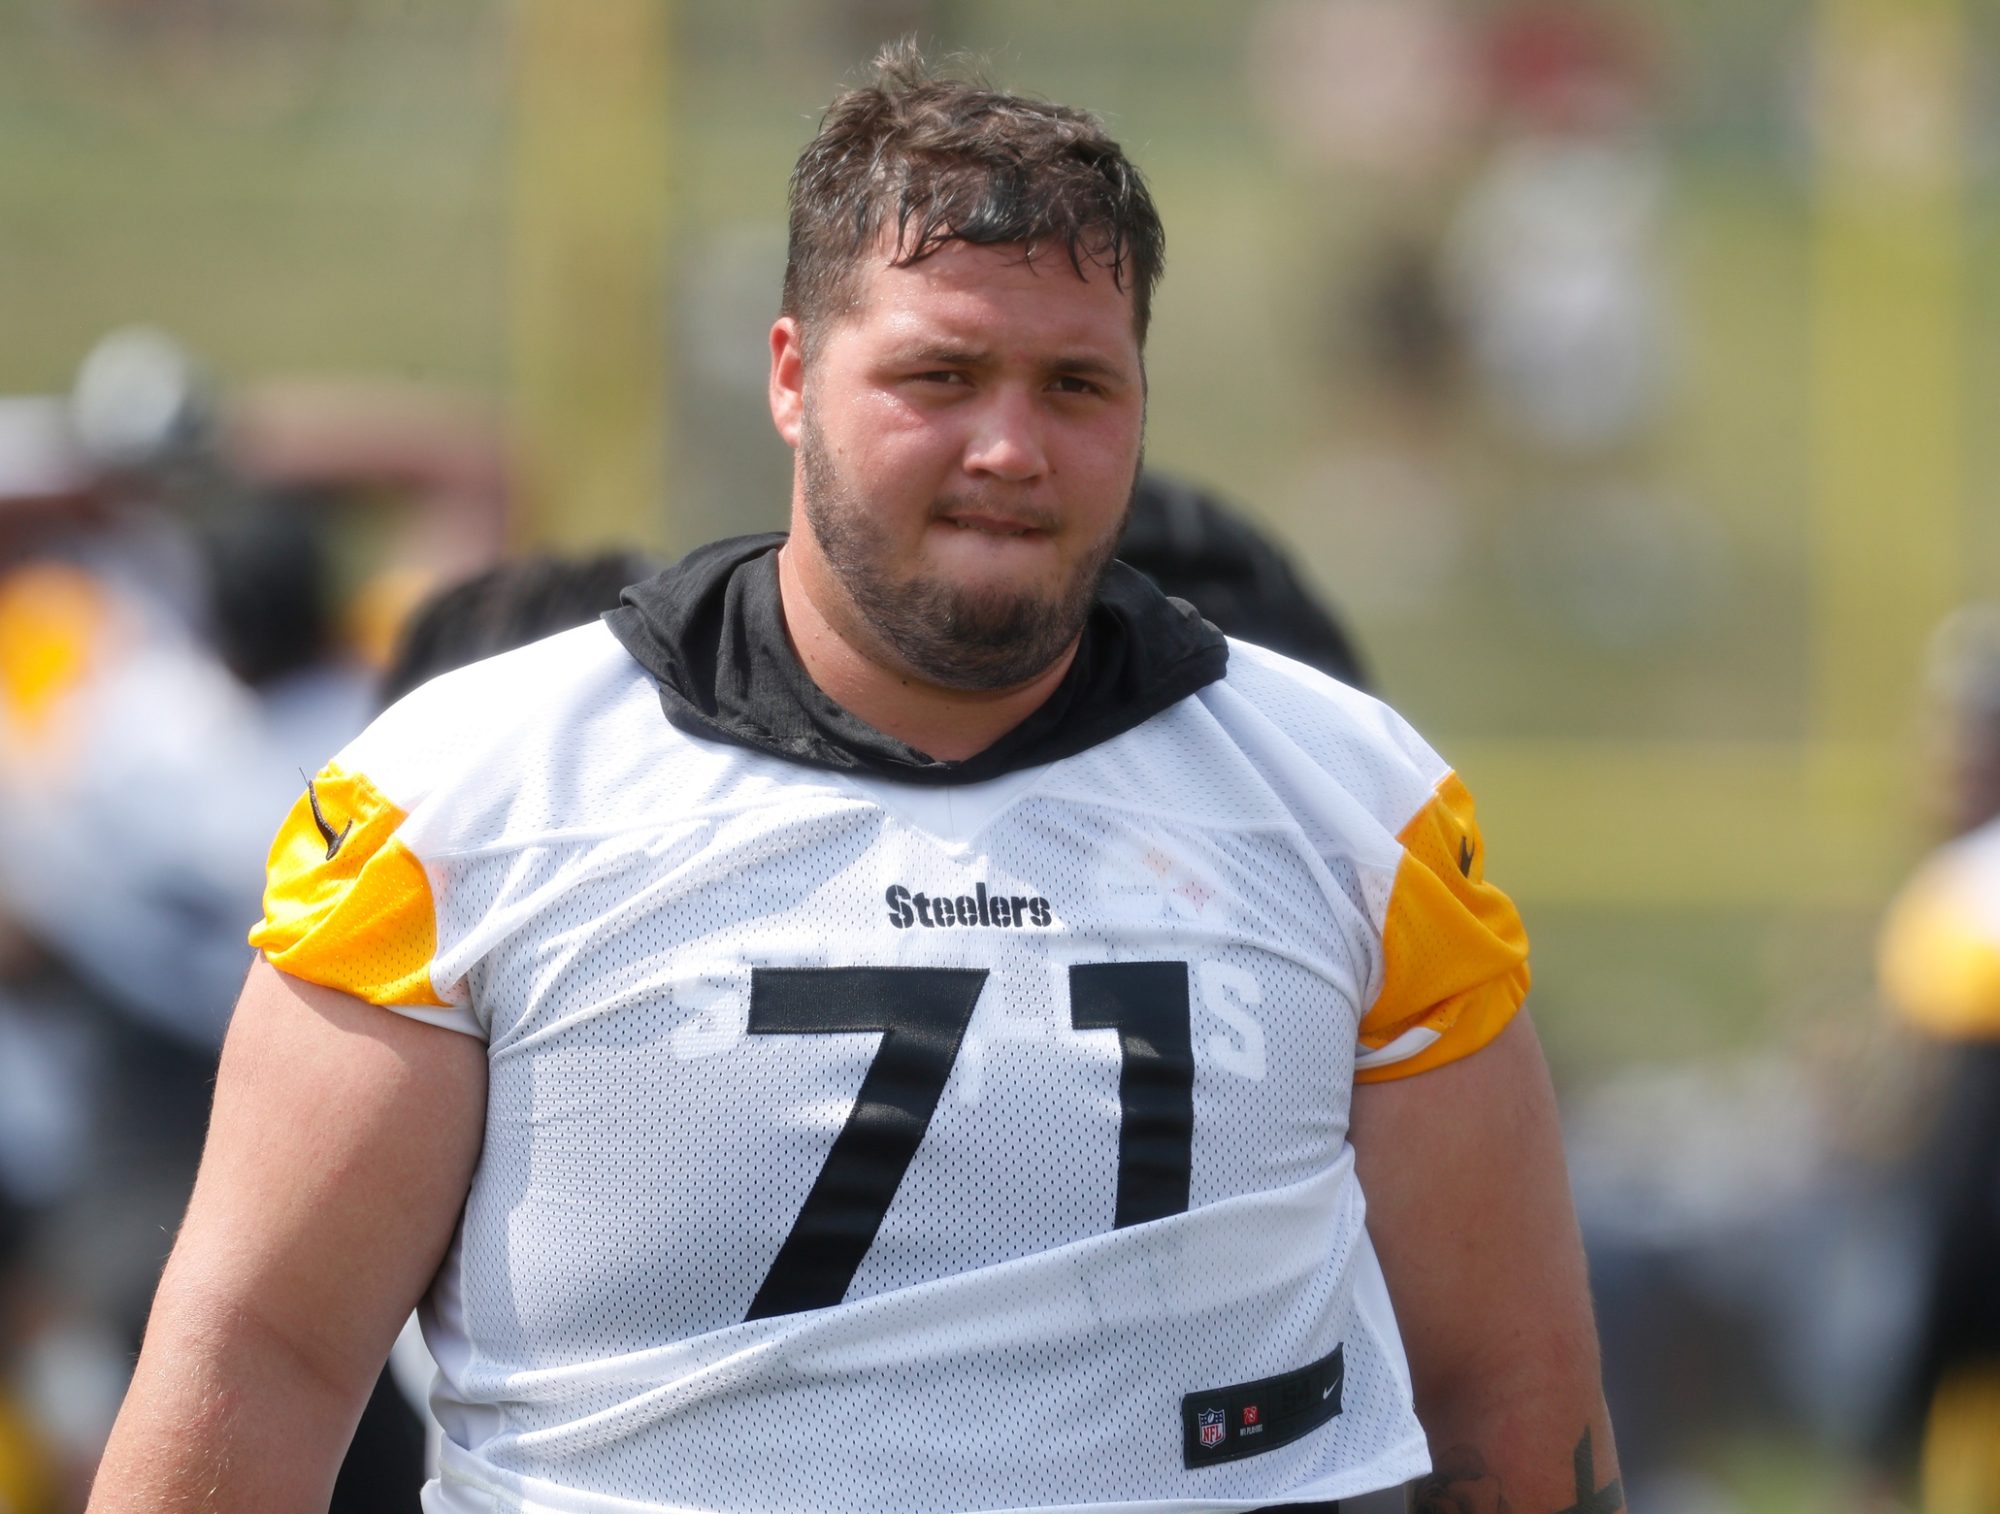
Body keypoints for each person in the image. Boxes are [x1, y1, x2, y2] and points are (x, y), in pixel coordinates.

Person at [89, 46, 1619, 1514]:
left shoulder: (1358, 803)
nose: (1011, 446)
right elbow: (260, 1357)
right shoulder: (465, 795)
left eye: (1076, 387)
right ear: (791, 375)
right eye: (941, 374)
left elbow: (1508, 1391)